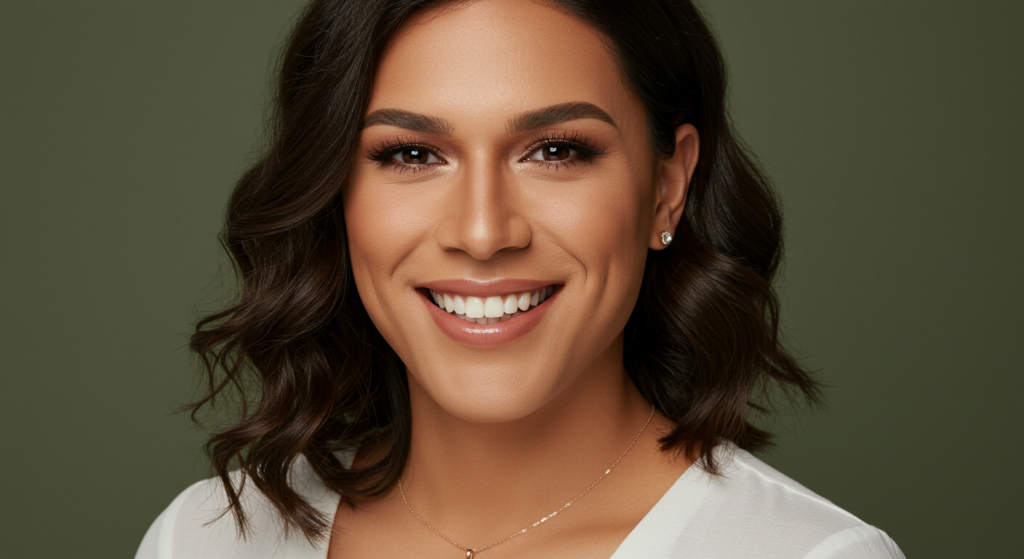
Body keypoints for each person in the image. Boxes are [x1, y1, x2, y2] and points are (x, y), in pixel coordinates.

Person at [136, 0, 905, 557]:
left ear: (668, 187)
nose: (483, 232)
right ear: (335, 195)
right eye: (410, 153)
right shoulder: (202, 539)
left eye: (556, 150)